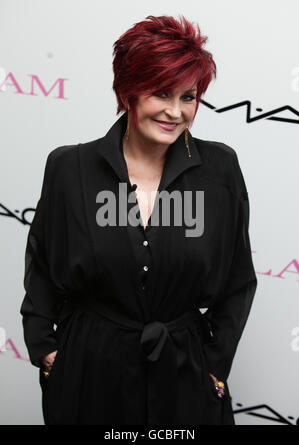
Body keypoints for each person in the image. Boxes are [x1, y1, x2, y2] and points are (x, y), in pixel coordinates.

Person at [20, 14, 257, 425]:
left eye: (189, 96)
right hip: (88, 374)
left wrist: (215, 366)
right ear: (128, 91)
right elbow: (41, 265)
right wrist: (46, 351)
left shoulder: (220, 168)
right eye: (161, 93)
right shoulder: (69, 167)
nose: (175, 111)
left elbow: (238, 279)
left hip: (186, 373)